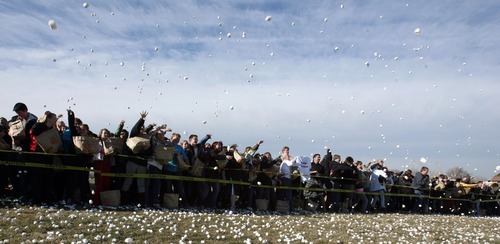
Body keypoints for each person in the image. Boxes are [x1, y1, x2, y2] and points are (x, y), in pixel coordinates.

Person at [29, 111, 60, 204]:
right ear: (49, 119)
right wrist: (44, 124)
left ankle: (47, 197)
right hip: (38, 155)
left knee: (48, 177)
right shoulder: (38, 125)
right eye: (54, 118)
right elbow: (33, 132)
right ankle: (37, 198)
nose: (56, 120)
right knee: (37, 178)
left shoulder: (53, 128)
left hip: (48, 154)